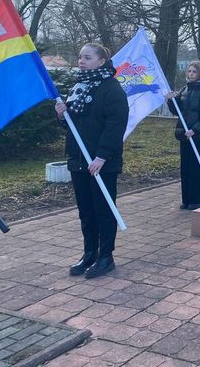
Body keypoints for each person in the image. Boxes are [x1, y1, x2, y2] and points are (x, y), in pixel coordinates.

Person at [55, 43, 129, 279]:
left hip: (101, 162)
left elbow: (116, 125)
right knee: (86, 211)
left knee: (103, 210)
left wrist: (102, 156)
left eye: (87, 57)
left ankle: (106, 256)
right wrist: (61, 114)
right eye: (79, 57)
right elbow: (73, 125)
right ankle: (90, 253)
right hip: (78, 160)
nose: (81, 61)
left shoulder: (111, 89)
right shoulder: (79, 87)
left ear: (101, 60)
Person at [166, 60, 200, 210]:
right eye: (189, 71)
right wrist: (171, 100)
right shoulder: (184, 90)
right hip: (185, 136)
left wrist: (195, 129)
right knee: (185, 168)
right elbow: (178, 111)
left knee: (196, 168)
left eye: (194, 72)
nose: (191, 74)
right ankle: (186, 200)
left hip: (198, 137)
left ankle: (196, 200)